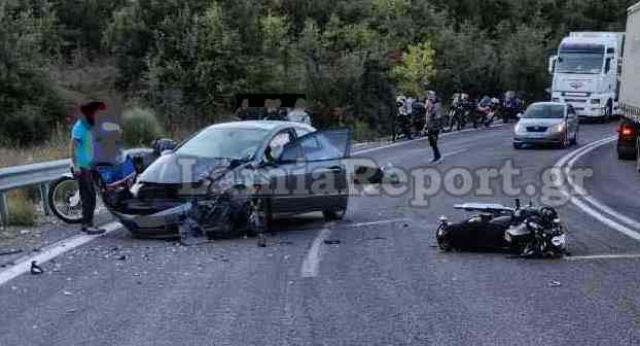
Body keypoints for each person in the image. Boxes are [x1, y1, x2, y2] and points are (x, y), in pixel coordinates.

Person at [70, 101, 107, 235]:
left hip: (90, 165)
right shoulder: (80, 126)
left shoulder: (91, 125)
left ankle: (88, 223)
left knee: (91, 195)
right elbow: (73, 147)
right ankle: (87, 225)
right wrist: (76, 166)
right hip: (82, 166)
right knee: (88, 195)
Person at [424, 91, 443, 163]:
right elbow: (427, 115)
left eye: (430, 96)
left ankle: (438, 157)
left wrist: (431, 109)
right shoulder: (429, 104)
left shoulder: (436, 105)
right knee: (432, 143)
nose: (429, 98)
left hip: (435, 127)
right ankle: (436, 156)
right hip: (430, 126)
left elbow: (437, 117)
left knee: (434, 142)